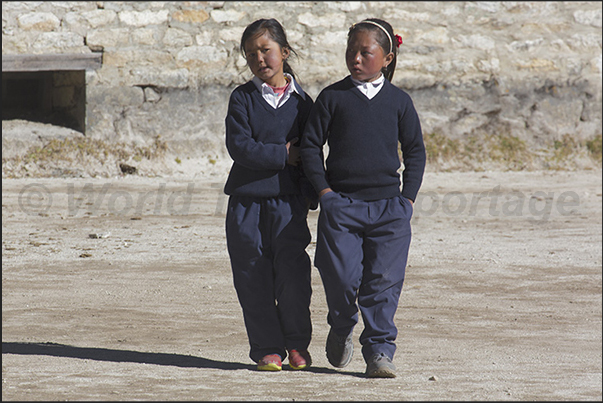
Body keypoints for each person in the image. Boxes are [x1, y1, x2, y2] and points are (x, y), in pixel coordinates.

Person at [300, 18, 426, 378]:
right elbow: (311, 147)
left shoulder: (399, 101)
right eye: (350, 51)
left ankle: (379, 352)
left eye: (365, 53)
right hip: (342, 206)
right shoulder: (332, 97)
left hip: (390, 209)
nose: (355, 59)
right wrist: (325, 193)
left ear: (387, 58)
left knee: (383, 283)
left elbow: (415, 151)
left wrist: (408, 200)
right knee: (340, 277)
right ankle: (341, 326)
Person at [224, 18, 316, 372]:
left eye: (266, 50)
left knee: (293, 276)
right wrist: (282, 154)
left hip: (288, 204)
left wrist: (311, 195)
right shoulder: (242, 99)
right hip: (246, 204)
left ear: (284, 52)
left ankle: (296, 346)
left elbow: (309, 153)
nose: (259, 59)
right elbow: (240, 146)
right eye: (251, 54)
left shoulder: (303, 104)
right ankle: (267, 348)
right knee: (252, 275)